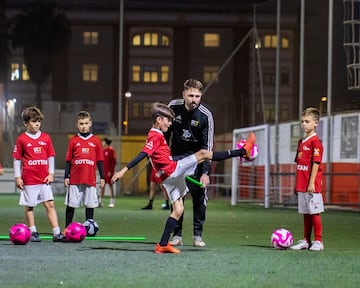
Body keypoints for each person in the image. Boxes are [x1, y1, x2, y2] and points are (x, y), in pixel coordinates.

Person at [111, 102, 256, 254]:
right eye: (168, 120)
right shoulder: (154, 136)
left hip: (168, 178)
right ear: (159, 120)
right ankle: (243, 151)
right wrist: (122, 171)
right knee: (203, 154)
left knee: (178, 210)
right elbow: (143, 154)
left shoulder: (156, 134)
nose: (170, 123)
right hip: (173, 171)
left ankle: (162, 245)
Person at [166, 79, 214, 247]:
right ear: (183, 94)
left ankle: (197, 235)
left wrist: (205, 172)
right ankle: (177, 235)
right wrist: (165, 160)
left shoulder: (206, 115)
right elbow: (164, 136)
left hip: (198, 159)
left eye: (198, 96)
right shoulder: (173, 107)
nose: (194, 99)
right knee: (177, 197)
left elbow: (207, 146)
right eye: (191, 95)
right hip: (177, 158)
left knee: (199, 198)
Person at [12, 106, 66, 242]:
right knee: (30, 206)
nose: (37, 124)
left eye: (39, 121)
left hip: (44, 179)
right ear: (26, 123)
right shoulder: (21, 139)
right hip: (29, 180)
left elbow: (51, 156)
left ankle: (56, 233)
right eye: (33, 121)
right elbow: (17, 159)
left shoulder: (46, 138)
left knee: (50, 204)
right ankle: (33, 232)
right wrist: (17, 177)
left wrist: (51, 173)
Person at [290, 107, 324, 251]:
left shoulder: (315, 142)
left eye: (307, 121)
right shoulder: (301, 142)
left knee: (314, 212)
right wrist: (297, 183)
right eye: (302, 121)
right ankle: (306, 240)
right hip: (302, 184)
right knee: (305, 213)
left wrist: (311, 182)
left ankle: (318, 241)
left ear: (315, 123)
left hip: (312, 185)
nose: (303, 124)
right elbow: (300, 165)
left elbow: (316, 163)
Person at [64, 111, 105, 227]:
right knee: (71, 204)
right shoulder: (73, 141)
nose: (84, 126)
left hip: (90, 178)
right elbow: (68, 160)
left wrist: (102, 177)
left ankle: (89, 227)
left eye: (86, 123)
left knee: (90, 204)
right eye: (81, 123)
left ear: (90, 123)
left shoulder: (96, 141)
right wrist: (66, 176)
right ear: (77, 124)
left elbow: (100, 160)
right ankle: (67, 228)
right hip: (75, 179)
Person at [99, 137, 117, 208]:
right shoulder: (103, 150)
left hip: (109, 172)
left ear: (106, 142)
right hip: (104, 171)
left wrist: (111, 171)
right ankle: (100, 201)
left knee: (110, 186)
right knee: (102, 186)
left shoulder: (111, 150)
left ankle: (112, 201)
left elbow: (114, 162)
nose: (102, 143)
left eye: (103, 142)